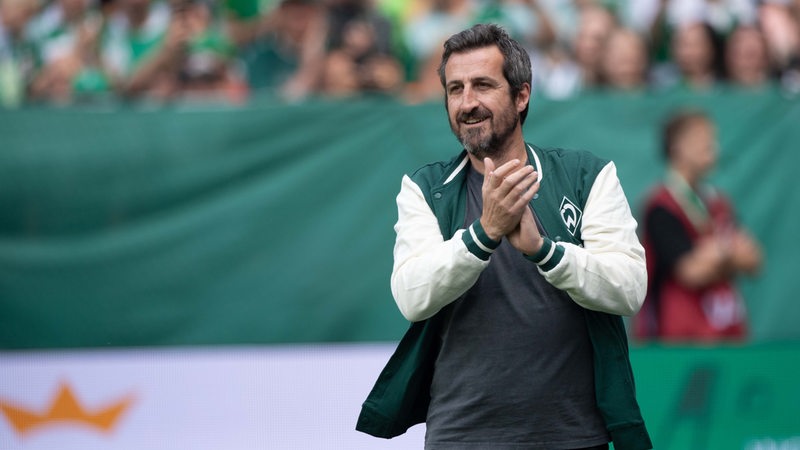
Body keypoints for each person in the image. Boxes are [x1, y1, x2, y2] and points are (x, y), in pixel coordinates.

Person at [357, 23, 652, 450]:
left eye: (482, 85)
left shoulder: (587, 176)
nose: (467, 102)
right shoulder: (425, 188)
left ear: (521, 95)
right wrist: (484, 233)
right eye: (454, 88)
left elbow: (629, 289)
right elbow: (411, 296)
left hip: (572, 437)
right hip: (461, 436)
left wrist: (545, 252)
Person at [635, 109, 762, 342]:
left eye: (712, 139)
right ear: (677, 147)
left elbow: (754, 261)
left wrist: (715, 254)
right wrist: (727, 250)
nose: (711, 147)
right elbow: (690, 272)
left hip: (727, 331)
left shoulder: (718, 202)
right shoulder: (661, 205)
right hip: (679, 338)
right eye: (701, 139)